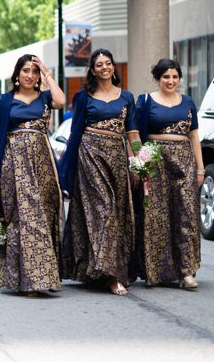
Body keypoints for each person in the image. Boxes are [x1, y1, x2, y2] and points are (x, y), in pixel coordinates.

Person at [58, 49, 139, 296]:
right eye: (99, 64)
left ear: (114, 67)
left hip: (117, 158)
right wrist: (64, 172)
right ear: (93, 70)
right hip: (90, 155)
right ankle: (113, 276)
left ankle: (98, 269)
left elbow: (133, 134)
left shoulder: (126, 97)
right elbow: (75, 134)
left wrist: (138, 164)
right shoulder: (83, 97)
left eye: (108, 63)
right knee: (104, 211)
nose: (104, 67)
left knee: (116, 213)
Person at [0, 55, 65, 297]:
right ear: (17, 74)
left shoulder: (46, 97)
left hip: (43, 164)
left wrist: (48, 73)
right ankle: (29, 279)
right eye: (25, 70)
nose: (30, 75)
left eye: (34, 71)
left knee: (42, 215)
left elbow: (61, 101)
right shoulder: (5, 101)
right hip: (13, 164)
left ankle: (41, 275)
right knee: (22, 219)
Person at [134, 58, 203, 290]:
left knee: (186, 214)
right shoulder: (145, 101)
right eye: (166, 77)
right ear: (158, 78)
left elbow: (194, 137)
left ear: (179, 78)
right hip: (154, 156)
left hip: (184, 160)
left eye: (174, 77)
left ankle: (186, 273)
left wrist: (200, 169)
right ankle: (154, 272)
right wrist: (140, 167)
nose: (171, 81)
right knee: (155, 216)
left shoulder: (188, 102)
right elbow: (137, 137)